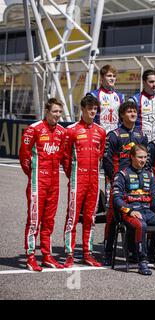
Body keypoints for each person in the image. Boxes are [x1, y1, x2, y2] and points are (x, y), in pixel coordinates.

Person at [113, 145, 155, 275]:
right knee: (141, 225)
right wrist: (129, 210)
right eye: (140, 157)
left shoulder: (149, 175)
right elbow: (116, 199)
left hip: (148, 212)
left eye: (145, 157)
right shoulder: (122, 174)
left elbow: (154, 197)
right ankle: (142, 261)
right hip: (130, 213)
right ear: (132, 157)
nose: (143, 160)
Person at [19, 98, 66, 271]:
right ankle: (30, 256)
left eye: (60, 112)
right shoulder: (34, 129)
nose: (57, 115)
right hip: (38, 182)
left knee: (49, 220)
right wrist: (33, 176)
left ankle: (46, 255)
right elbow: (24, 156)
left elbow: (62, 155)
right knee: (34, 220)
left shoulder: (62, 132)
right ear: (46, 111)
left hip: (54, 182)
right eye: (54, 111)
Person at [62, 95, 106, 268]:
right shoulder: (71, 130)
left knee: (90, 218)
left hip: (94, 180)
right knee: (72, 217)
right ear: (82, 109)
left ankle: (88, 253)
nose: (93, 111)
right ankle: (69, 254)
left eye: (95, 108)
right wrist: (72, 175)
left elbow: (100, 154)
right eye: (89, 108)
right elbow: (65, 157)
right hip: (77, 180)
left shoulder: (101, 131)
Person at [102, 101, 148, 265]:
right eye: (129, 111)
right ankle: (107, 253)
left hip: (136, 183)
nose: (132, 114)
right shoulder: (113, 135)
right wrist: (115, 179)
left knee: (133, 214)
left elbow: (146, 160)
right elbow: (106, 160)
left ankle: (133, 252)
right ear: (122, 115)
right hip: (117, 182)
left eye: (134, 111)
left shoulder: (141, 135)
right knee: (113, 218)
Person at [87, 64, 125, 134]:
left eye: (114, 76)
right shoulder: (93, 95)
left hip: (115, 137)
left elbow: (122, 118)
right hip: (98, 134)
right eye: (109, 76)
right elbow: (87, 117)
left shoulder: (120, 96)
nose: (112, 78)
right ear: (101, 78)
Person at [129, 69, 155, 142]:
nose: (154, 85)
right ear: (144, 82)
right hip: (138, 141)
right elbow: (127, 122)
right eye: (151, 82)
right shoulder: (135, 100)